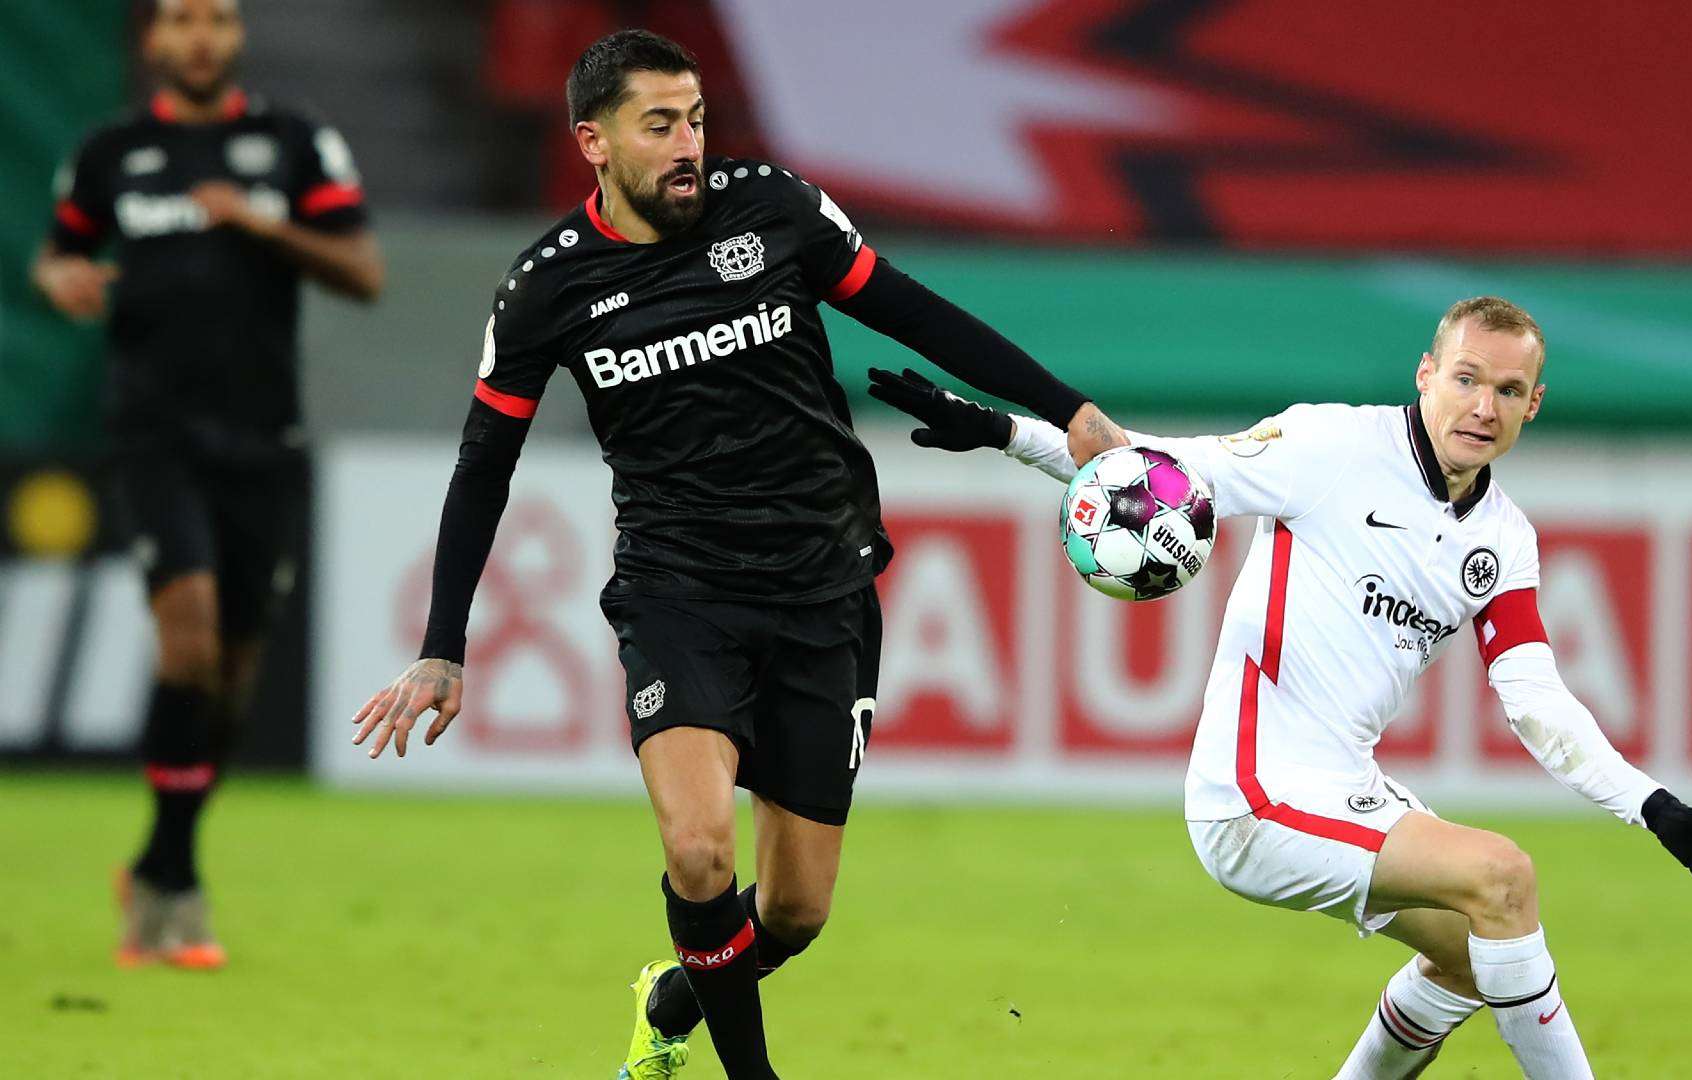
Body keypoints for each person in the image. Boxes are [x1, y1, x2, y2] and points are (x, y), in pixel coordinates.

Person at [346, 28, 1119, 1080]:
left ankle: (673, 999)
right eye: (659, 124)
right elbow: (486, 464)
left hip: (824, 589)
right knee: (698, 848)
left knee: (794, 914)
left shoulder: (776, 212)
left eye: (697, 120)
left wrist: (1068, 412)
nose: (687, 145)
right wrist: (443, 645)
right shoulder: (545, 289)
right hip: (679, 594)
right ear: (593, 141)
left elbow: (918, 313)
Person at [867, 296, 1692, 1078]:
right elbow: (1153, 469)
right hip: (1251, 793)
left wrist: (1653, 806)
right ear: (1426, 374)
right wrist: (1004, 433)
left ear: (1535, 403)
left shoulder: (1505, 539)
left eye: (1506, 390)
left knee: (1468, 955)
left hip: (1345, 784)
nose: (1481, 406)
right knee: (1504, 879)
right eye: (1465, 378)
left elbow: (1533, 699)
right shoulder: (1330, 443)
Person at [34, 0, 383, 970]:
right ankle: (175, 896)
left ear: (234, 38)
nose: (200, 36)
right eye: (182, 19)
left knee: (231, 675)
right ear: (153, 38)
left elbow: (362, 270)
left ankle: (157, 857)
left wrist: (264, 227)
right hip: (154, 437)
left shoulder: (293, 143)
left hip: (261, 442)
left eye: (218, 19)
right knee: (185, 643)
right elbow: (60, 250)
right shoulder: (109, 153)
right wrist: (62, 276)